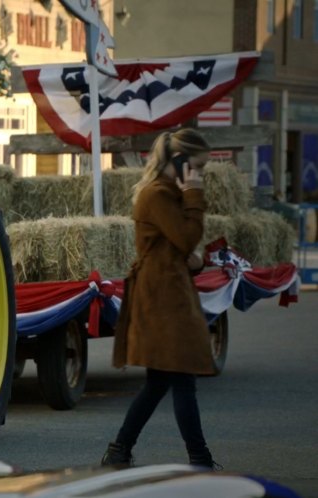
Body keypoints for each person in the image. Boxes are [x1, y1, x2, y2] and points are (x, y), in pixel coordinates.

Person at [102, 128, 221, 470]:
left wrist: (194, 258)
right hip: (162, 298)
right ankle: (200, 461)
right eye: (197, 167)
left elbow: (176, 247)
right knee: (182, 379)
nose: (201, 175)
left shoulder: (167, 191)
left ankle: (119, 451)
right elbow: (186, 237)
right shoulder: (158, 194)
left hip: (167, 289)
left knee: (159, 383)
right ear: (180, 162)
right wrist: (194, 193)